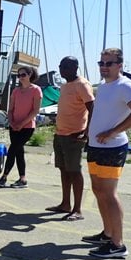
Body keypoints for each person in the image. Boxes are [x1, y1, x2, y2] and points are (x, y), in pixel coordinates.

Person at [81, 48, 131, 258]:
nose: (104, 67)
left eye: (109, 63)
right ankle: (107, 233)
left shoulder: (126, 86)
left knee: (110, 194)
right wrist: (89, 131)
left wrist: (114, 131)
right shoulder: (105, 87)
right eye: (101, 63)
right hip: (96, 147)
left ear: (120, 65)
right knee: (98, 191)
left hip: (112, 147)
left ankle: (118, 245)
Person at [45, 56, 94, 221]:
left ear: (75, 67)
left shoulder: (82, 85)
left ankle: (77, 209)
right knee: (64, 170)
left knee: (74, 171)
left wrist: (87, 132)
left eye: (65, 66)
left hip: (74, 135)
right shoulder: (65, 85)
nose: (62, 69)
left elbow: (92, 109)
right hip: (60, 134)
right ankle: (65, 204)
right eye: (60, 66)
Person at [0, 67, 42, 189]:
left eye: (23, 75)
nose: (21, 77)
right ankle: (23, 179)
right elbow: (10, 109)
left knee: (12, 150)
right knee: (18, 152)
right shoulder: (16, 91)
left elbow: (35, 110)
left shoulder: (36, 90)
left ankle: (4, 176)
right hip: (14, 126)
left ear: (30, 74)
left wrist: (21, 124)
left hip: (27, 127)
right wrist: (11, 122)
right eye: (19, 75)